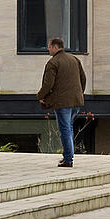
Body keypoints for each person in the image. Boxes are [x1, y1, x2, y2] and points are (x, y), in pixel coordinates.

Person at [36, 36, 87, 167]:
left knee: (65, 129)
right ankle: (68, 156)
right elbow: (83, 78)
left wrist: (40, 96)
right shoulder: (74, 59)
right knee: (69, 127)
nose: (48, 49)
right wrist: (80, 93)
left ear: (55, 47)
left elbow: (48, 84)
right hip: (76, 100)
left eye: (49, 46)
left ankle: (68, 159)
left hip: (62, 102)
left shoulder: (53, 63)